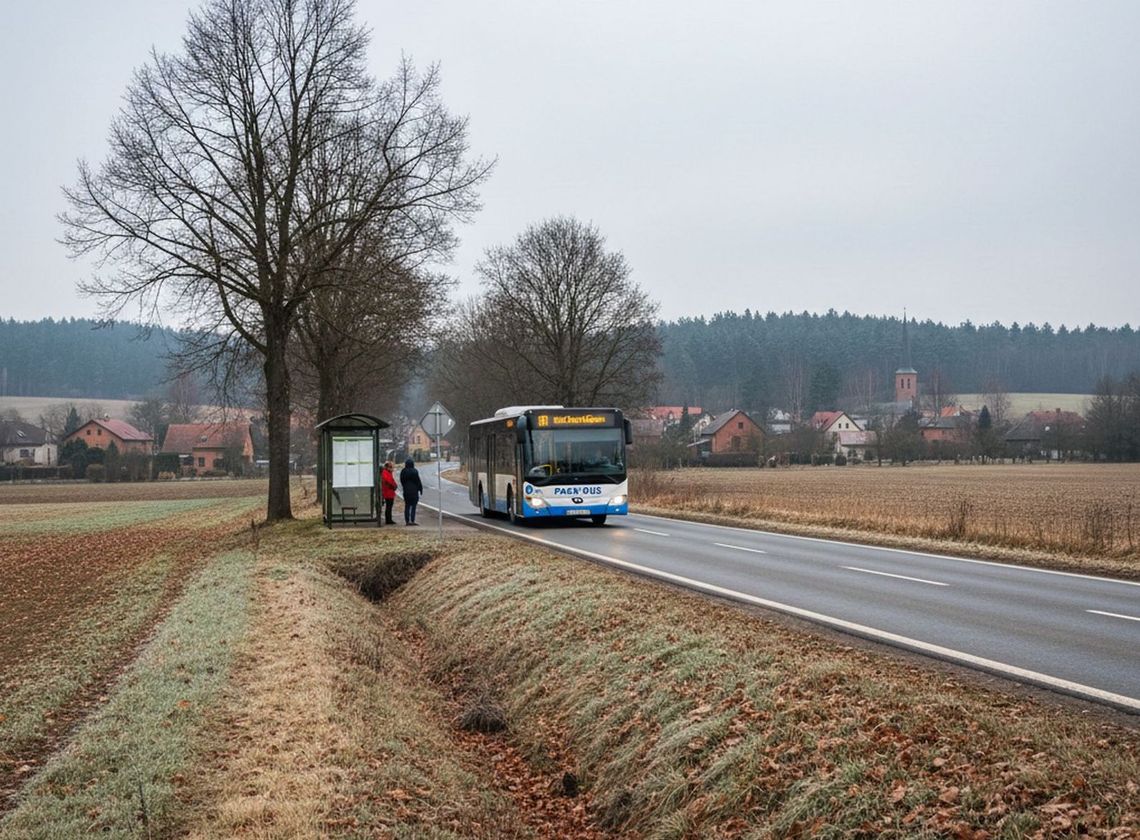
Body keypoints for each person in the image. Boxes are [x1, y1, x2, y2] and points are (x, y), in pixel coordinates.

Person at [399, 457, 423, 526]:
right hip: (414, 491)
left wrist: (404, 486)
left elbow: (402, 480)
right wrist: (420, 489)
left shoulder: (403, 471)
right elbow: (418, 481)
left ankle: (407, 521)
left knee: (407, 505)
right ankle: (412, 520)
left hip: (406, 491)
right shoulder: (415, 471)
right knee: (413, 506)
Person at [380, 460, 398, 525]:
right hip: (388, 492)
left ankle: (389, 519)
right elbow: (389, 481)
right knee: (389, 506)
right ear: (387, 467)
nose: (392, 468)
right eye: (390, 467)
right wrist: (394, 486)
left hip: (389, 491)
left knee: (389, 506)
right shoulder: (385, 473)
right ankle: (388, 520)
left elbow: (391, 481)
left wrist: (395, 485)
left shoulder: (387, 472)